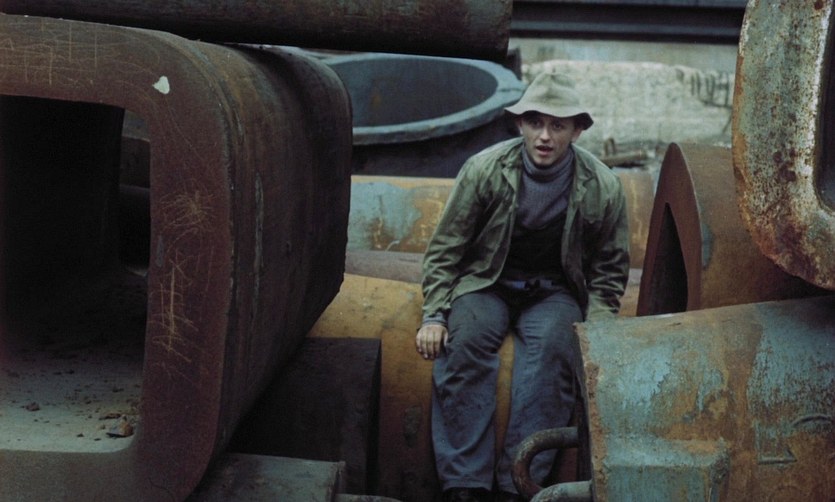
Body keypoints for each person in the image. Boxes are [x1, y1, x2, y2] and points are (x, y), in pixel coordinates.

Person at [415, 72, 629, 502]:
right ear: (520, 124)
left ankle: (519, 485)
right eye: (535, 122)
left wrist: (599, 332)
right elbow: (445, 249)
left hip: (553, 291)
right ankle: (465, 485)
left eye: (557, 125)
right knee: (465, 344)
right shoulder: (485, 169)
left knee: (555, 355)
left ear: (577, 131)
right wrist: (435, 314)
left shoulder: (602, 186)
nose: (544, 136)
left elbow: (609, 270)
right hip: (486, 283)